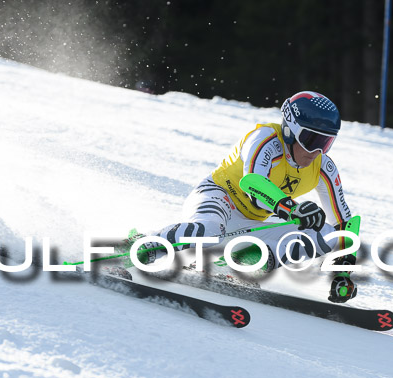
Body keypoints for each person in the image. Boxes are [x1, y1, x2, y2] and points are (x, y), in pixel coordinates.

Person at [129, 91, 358, 303]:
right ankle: (143, 244)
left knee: (327, 235)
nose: (315, 152)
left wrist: (344, 269)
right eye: (311, 140)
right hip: (219, 198)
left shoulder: (323, 167)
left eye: (325, 143)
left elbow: (345, 224)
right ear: (290, 130)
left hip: (252, 224)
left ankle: (235, 265)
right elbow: (253, 184)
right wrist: (293, 209)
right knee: (209, 229)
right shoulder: (265, 139)